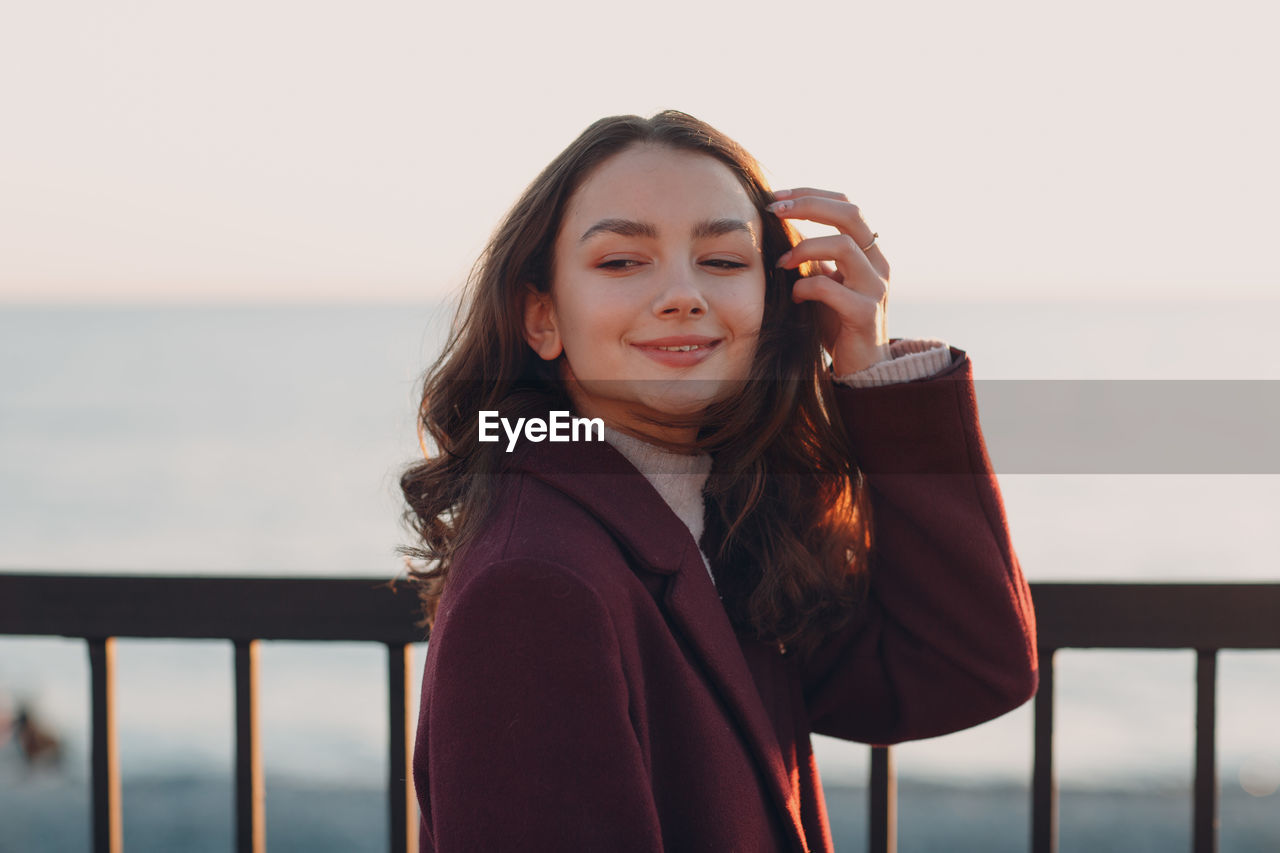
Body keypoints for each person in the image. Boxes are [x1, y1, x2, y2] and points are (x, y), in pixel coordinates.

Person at [400, 109, 1038, 853]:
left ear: (776, 305)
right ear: (542, 319)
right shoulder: (535, 581)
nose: (682, 294)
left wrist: (872, 373)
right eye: (621, 261)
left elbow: (964, 668)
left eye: (725, 262)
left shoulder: (710, 524)